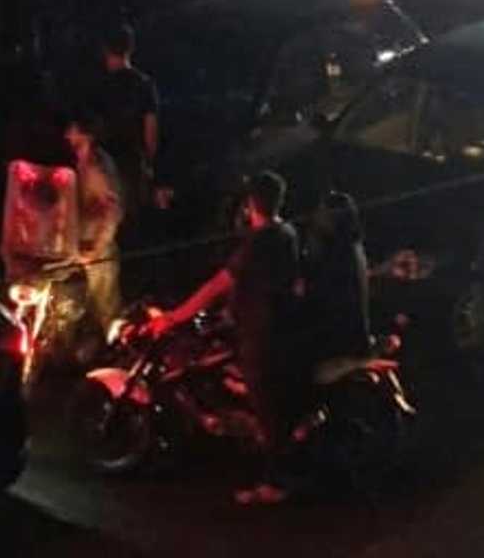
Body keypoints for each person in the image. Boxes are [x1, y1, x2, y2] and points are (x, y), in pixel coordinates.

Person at [152, 172, 300, 506]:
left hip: (262, 335)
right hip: (276, 329)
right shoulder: (287, 233)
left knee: (268, 411)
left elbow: (218, 284)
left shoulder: (258, 242)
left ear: (250, 205)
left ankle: (276, 484)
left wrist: (173, 316)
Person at [63, 112, 124, 334]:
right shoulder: (79, 164)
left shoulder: (98, 167)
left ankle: (122, 355)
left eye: (72, 129)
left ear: (86, 135)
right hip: (80, 248)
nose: (67, 135)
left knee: (107, 311)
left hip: (97, 251)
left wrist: (97, 247)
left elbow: (113, 211)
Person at [92, 22, 159, 223]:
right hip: (132, 168)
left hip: (104, 169)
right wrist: (148, 164)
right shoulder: (145, 85)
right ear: (130, 49)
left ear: (105, 49)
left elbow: (92, 129)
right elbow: (151, 134)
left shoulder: (100, 86)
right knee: (131, 227)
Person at [301, 191, 371, 370]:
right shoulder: (352, 247)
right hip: (349, 344)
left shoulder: (336, 257)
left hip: (335, 351)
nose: (315, 217)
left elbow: (312, 300)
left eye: (321, 214)